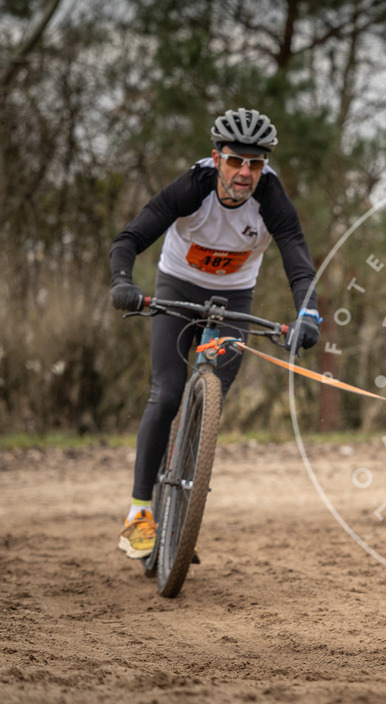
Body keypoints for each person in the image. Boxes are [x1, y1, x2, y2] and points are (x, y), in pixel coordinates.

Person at [109, 107, 322, 559]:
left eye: (256, 163)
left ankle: (184, 502)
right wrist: (124, 282)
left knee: (212, 394)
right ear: (217, 157)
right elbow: (128, 239)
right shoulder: (193, 187)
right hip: (177, 290)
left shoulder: (272, 199)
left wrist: (309, 315)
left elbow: (299, 264)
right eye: (235, 160)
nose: (245, 172)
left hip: (235, 301)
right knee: (166, 392)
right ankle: (140, 511)